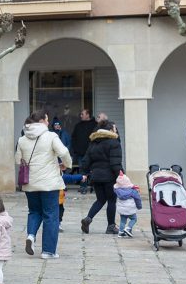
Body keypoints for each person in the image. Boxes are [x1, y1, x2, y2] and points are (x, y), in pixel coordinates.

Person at [15, 110, 72, 259]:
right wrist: (66, 165)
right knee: (51, 215)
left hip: (30, 183)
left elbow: (17, 160)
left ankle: (31, 236)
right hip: (49, 184)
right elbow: (64, 152)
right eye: (47, 120)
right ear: (41, 121)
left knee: (34, 211)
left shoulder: (22, 139)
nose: (48, 123)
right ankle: (48, 251)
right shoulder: (51, 136)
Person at [79, 120, 124, 235]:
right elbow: (115, 163)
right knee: (112, 200)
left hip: (96, 176)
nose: (116, 130)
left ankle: (88, 219)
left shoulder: (94, 142)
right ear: (109, 130)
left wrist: (84, 172)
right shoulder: (114, 143)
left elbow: (86, 160)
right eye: (114, 128)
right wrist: (121, 176)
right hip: (109, 177)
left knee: (100, 199)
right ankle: (111, 226)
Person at [114, 172, 142, 238]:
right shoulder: (133, 191)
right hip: (130, 208)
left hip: (122, 209)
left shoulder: (118, 190)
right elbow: (137, 199)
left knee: (123, 220)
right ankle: (128, 228)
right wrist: (139, 206)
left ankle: (120, 232)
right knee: (134, 219)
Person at [69, 108, 96, 173]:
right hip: (80, 154)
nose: (81, 116)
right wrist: (76, 149)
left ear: (88, 115)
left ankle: (91, 183)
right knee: (82, 172)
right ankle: (83, 183)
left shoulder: (95, 125)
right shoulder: (78, 126)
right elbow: (73, 138)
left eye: (82, 114)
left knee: (92, 171)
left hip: (92, 154)